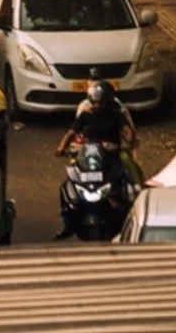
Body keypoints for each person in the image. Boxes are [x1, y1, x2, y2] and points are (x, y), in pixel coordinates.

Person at [53, 81, 137, 238]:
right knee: (67, 185)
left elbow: (127, 131)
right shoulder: (86, 115)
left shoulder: (116, 115)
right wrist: (61, 148)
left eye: (101, 102)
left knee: (128, 182)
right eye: (96, 102)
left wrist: (129, 139)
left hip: (111, 157)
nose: (98, 105)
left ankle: (129, 215)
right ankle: (68, 223)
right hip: (90, 156)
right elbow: (71, 133)